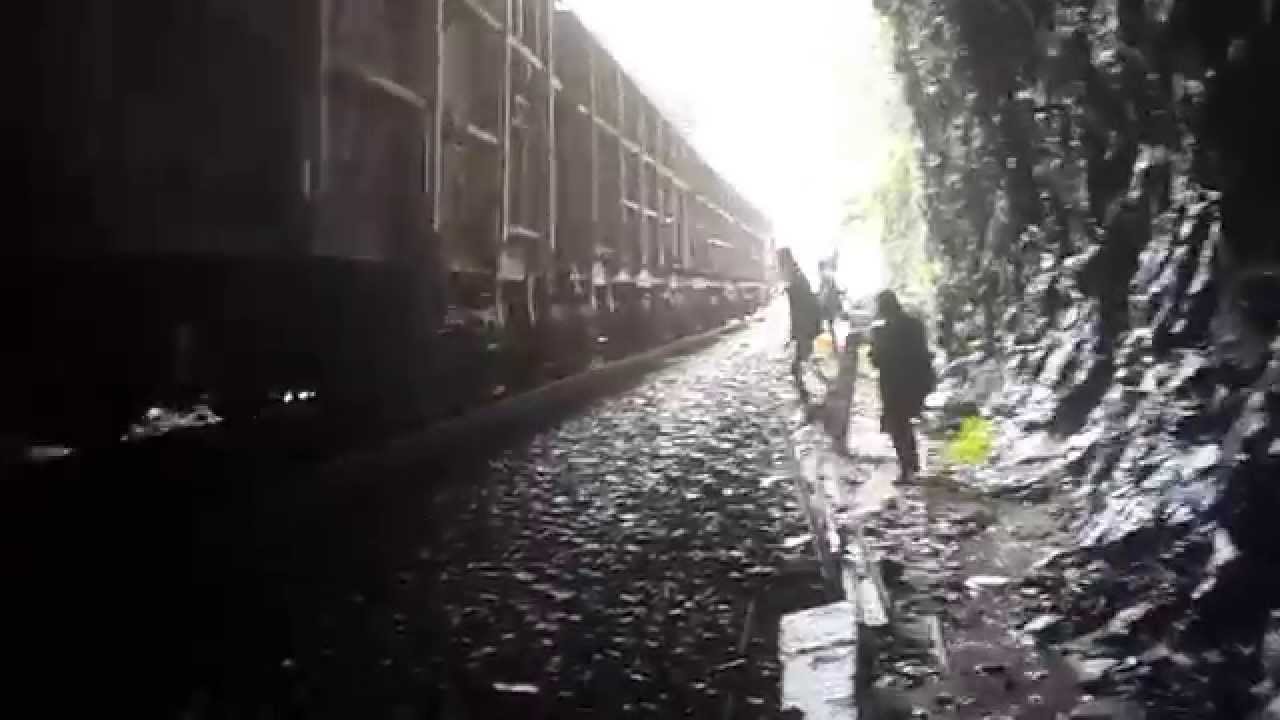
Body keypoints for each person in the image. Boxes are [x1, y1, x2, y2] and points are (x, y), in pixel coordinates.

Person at [869, 290, 935, 479]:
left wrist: (875, 350)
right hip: (915, 382)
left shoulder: (883, 332)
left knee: (898, 426)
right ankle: (911, 464)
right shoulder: (914, 325)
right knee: (904, 423)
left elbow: (877, 360)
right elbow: (923, 353)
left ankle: (907, 467)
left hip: (894, 384)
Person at [778, 249, 821, 399]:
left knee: (803, 351)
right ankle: (801, 382)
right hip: (804, 320)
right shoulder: (796, 275)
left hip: (804, 320)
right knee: (803, 351)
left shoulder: (795, 276)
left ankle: (801, 384)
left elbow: (801, 303)